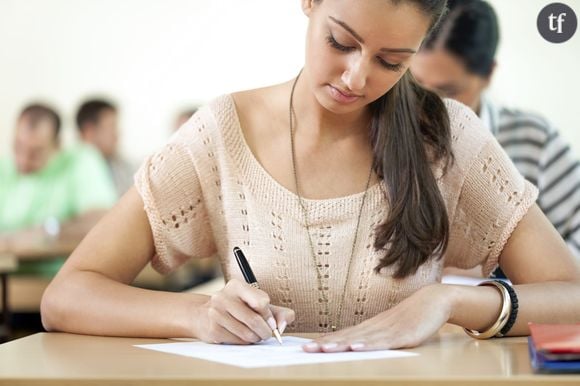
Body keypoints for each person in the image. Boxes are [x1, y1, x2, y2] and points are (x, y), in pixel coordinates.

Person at [41, 0, 580, 352]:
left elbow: (571, 295)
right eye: (341, 43)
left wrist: (448, 301)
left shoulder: (449, 138)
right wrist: (198, 313)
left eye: (392, 62)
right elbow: (66, 297)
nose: (356, 77)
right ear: (309, 4)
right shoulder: (223, 134)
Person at [410, 0, 580, 262]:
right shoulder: (371, 131)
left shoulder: (534, 140)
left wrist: (507, 278)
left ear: (488, 75)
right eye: (415, 85)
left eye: (449, 92)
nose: (426, 107)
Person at [0, 103, 117, 276]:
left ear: (57, 145)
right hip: (9, 280)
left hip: (60, 281)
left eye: (36, 152)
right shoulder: (4, 167)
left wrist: (46, 231)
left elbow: (103, 221)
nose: (23, 160)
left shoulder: (81, 160)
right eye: (18, 147)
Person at [76, 99, 136, 198]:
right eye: (112, 127)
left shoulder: (123, 166)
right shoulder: (70, 170)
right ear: (89, 131)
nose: (117, 134)